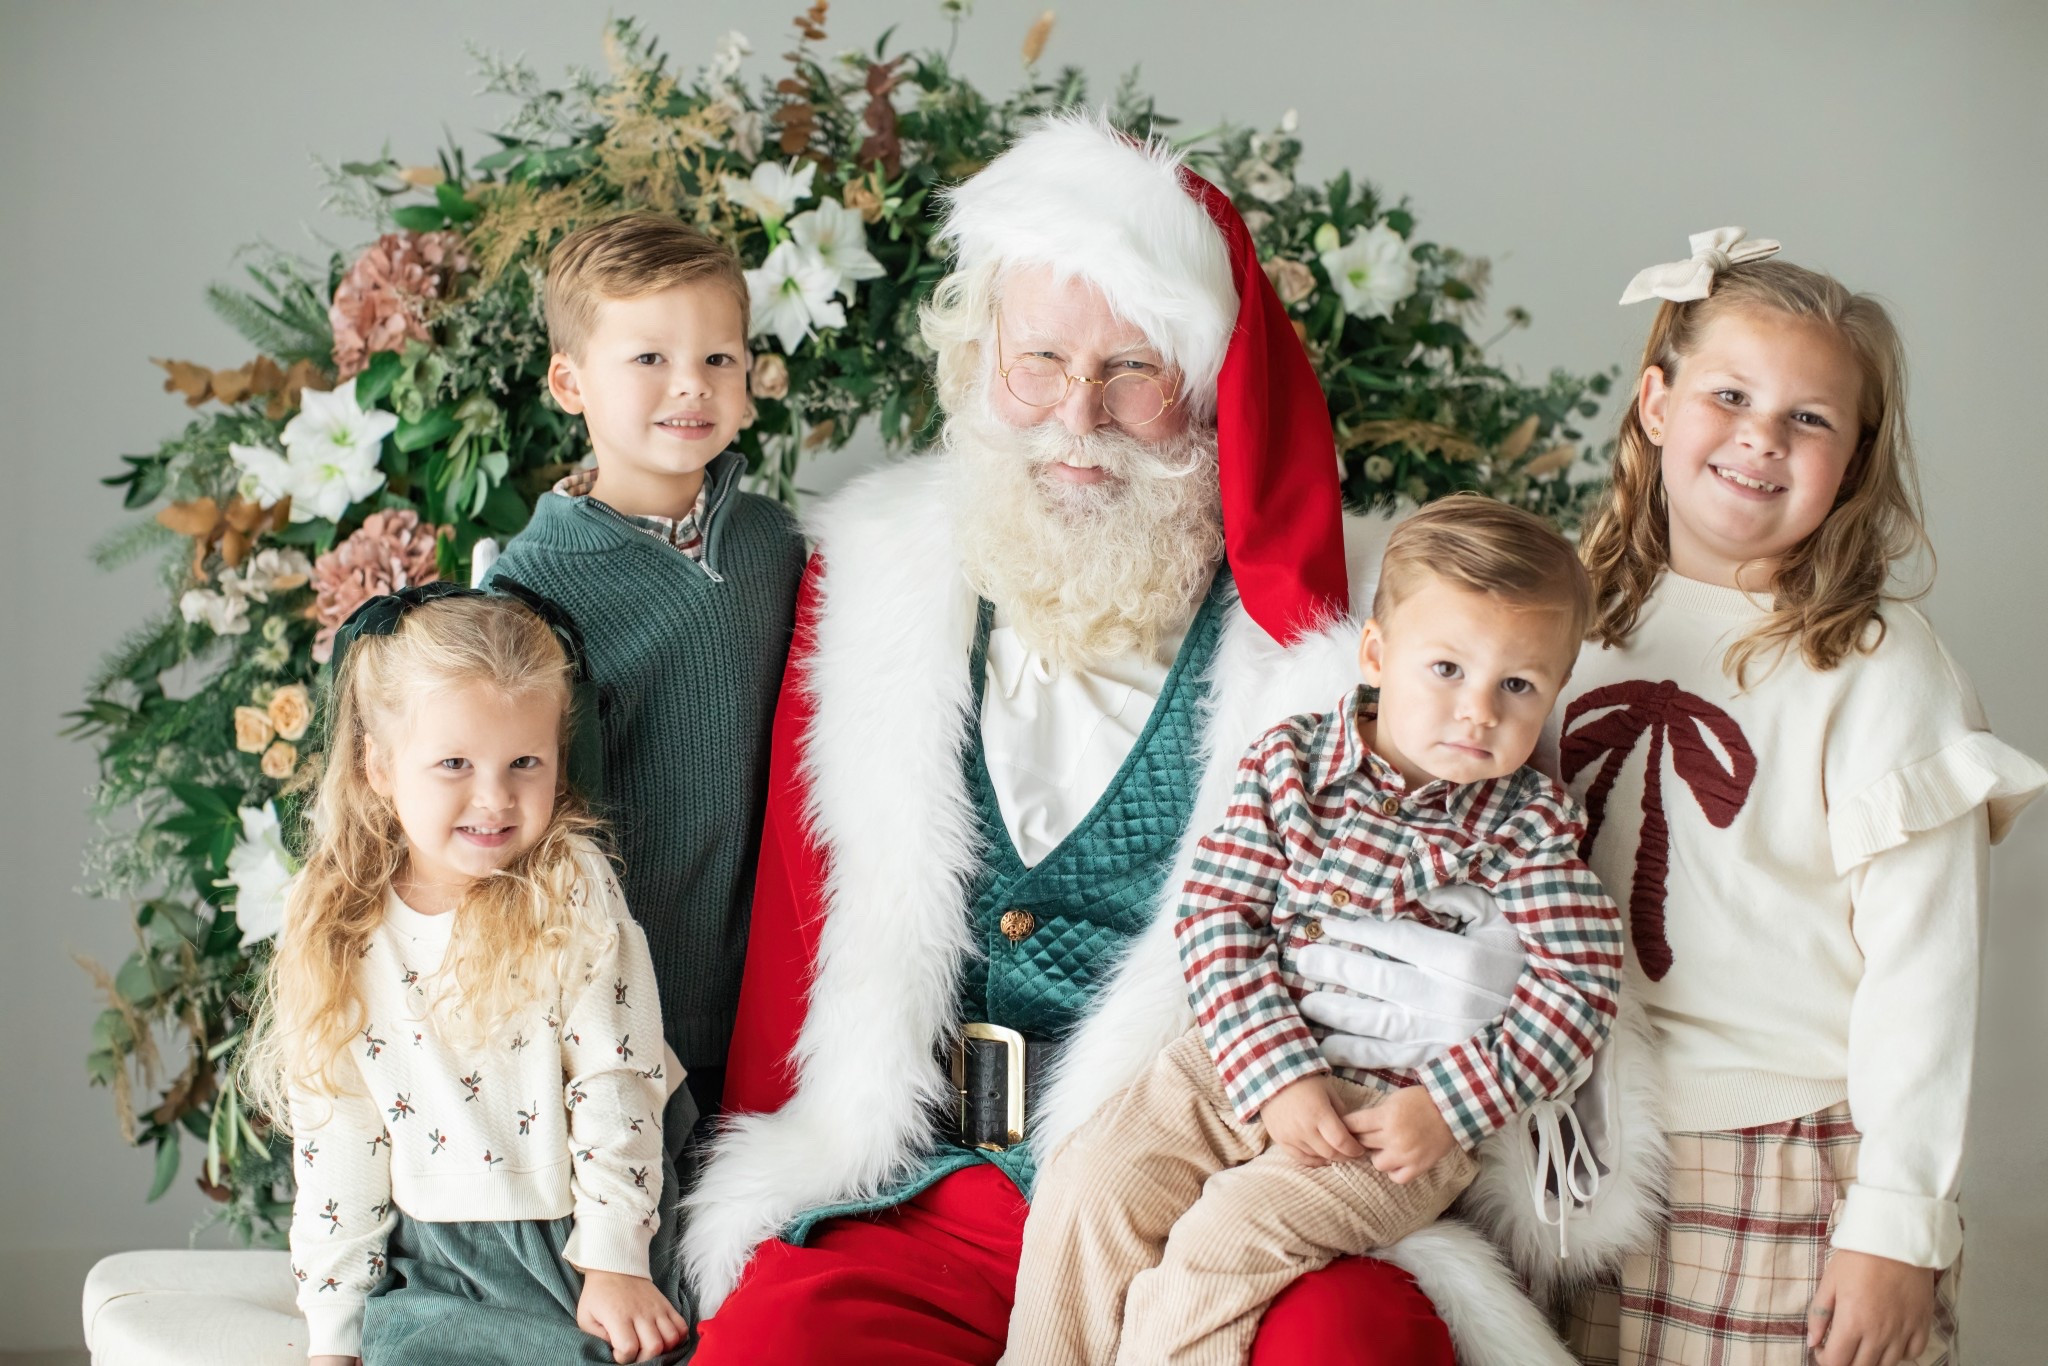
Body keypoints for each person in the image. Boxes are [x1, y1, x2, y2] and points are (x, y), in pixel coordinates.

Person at [682, 112, 1661, 1366]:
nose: (1074, 418)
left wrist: (1473, 1021)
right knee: (779, 1343)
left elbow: (1552, 939)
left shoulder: (1360, 646)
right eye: (1036, 359)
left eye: (1130, 371)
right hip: (936, 1189)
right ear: (978, 362)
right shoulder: (869, 588)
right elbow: (791, 931)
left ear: (1202, 397)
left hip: (1243, 1170)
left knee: (1349, 1346)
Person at [1555, 230, 2047, 1365]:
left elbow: (1925, 969)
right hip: (1581, 1148)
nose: (1759, 438)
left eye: (1808, 419)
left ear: (1853, 459)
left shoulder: (1876, 667)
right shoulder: (1571, 629)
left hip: (1784, 1169)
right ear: (1653, 404)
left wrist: (1896, 1223)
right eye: (1728, 395)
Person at [1004, 498, 1626, 1364]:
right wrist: (1277, 1073)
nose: (1478, 711)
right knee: (1092, 1181)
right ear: (1376, 656)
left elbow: (1580, 991)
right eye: (1446, 668)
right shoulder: (1290, 761)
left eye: (1517, 686)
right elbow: (1220, 915)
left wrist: (1449, 1107)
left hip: (1391, 1120)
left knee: (1224, 1241)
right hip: (1237, 1061)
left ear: (1554, 691)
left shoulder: (1528, 827)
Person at [239, 587, 690, 1365]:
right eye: (453, 763)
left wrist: (615, 1259)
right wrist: (333, 1335)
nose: (494, 798)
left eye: (525, 763)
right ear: (378, 765)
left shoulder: (570, 882)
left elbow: (620, 1074)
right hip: (440, 1256)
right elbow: (338, 1138)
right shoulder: (337, 922)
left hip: (592, 1220)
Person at [482, 211, 807, 1128]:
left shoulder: (776, 543)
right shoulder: (529, 595)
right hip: (608, 1021)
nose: (689, 387)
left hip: (768, 1003)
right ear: (569, 381)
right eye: (649, 359)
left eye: (718, 359)